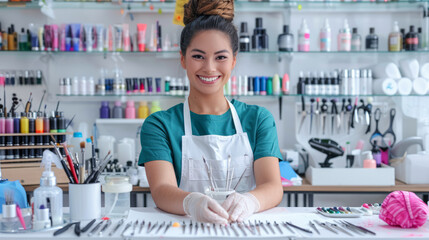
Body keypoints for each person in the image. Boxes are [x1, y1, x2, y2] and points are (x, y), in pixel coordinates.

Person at [139, 0, 283, 225]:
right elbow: (161, 190)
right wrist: (192, 203)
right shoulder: (159, 125)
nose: (209, 67)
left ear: (234, 60)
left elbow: (272, 186)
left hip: (243, 230)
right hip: (185, 231)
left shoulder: (257, 119)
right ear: (183, 59)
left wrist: (249, 202)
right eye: (198, 56)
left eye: (220, 57)